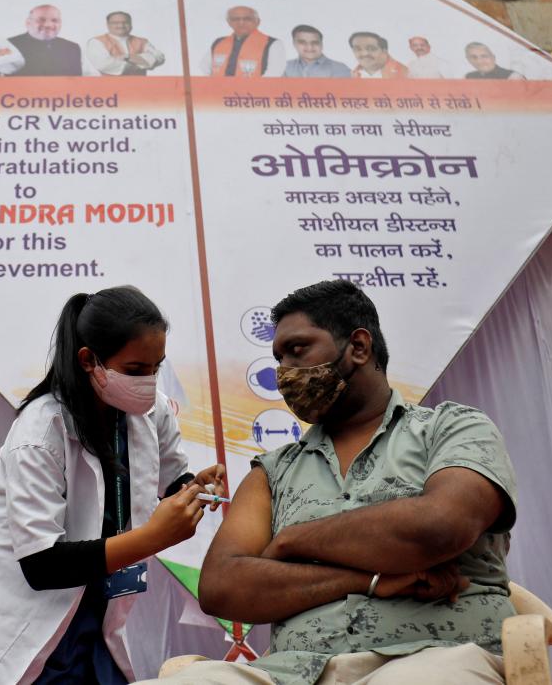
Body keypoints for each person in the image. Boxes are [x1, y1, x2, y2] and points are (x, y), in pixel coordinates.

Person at [146, 279, 516, 685]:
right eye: (278, 357)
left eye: (298, 349)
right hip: (291, 673)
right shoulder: (273, 471)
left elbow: (440, 526)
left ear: (358, 347)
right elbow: (222, 587)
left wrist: (292, 541)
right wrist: (373, 580)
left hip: (436, 655)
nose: (284, 371)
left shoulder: (453, 429)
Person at [0, 286, 226, 685]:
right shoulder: (39, 432)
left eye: (158, 367)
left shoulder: (150, 412)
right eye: (136, 370)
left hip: (93, 618)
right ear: (89, 361)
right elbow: (41, 565)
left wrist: (193, 487)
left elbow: (170, 479)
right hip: (21, 624)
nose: (150, 382)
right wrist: (153, 538)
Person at [198, 5, 285, 78]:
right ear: (229, 22)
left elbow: (274, 75)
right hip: (218, 94)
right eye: (235, 19)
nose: (241, 23)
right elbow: (203, 68)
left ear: (257, 22)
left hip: (252, 95)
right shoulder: (219, 43)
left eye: (247, 19)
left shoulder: (273, 44)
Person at [8, 4, 96, 76]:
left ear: (60, 23)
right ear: (28, 23)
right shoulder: (9, 46)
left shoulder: (73, 48)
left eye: (54, 20)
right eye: (41, 20)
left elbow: (92, 78)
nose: (48, 25)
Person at [86, 11, 166, 76]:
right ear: (108, 25)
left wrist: (126, 57)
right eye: (115, 23)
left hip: (140, 85)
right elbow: (103, 64)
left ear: (131, 24)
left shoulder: (142, 41)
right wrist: (143, 62)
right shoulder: (97, 42)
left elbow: (159, 57)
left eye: (125, 22)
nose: (121, 25)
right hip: (110, 87)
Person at [282, 25, 351, 78]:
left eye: (315, 42)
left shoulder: (340, 69)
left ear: (322, 44)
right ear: (294, 44)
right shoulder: (284, 68)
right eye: (302, 42)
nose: (309, 47)